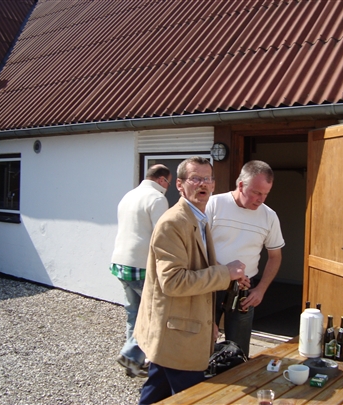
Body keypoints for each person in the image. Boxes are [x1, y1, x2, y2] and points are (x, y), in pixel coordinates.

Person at [134, 156, 250, 405]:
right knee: (192, 397)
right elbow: (173, 281)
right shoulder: (173, 223)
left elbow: (198, 269)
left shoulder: (199, 218)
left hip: (182, 329)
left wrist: (231, 279)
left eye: (207, 178)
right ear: (179, 184)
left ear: (214, 184)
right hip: (177, 333)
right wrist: (225, 273)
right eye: (195, 178)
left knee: (156, 392)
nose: (203, 184)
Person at [206, 160, 285, 356]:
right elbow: (199, 248)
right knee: (203, 344)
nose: (261, 199)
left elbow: (275, 256)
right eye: (257, 192)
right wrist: (225, 272)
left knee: (239, 350)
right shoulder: (214, 204)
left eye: (266, 194)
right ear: (240, 185)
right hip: (209, 285)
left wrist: (261, 290)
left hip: (244, 289)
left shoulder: (269, 216)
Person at [109, 164, 172, 377]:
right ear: (162, 180)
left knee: (134, 314)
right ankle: (131, 355)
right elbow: (162, 236)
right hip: (142, 265)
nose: (168, 188)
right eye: (168, 183)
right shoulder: (157, 198)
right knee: (153, 314)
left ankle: (133, 364)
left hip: (120, 263)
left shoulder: (128, 195)